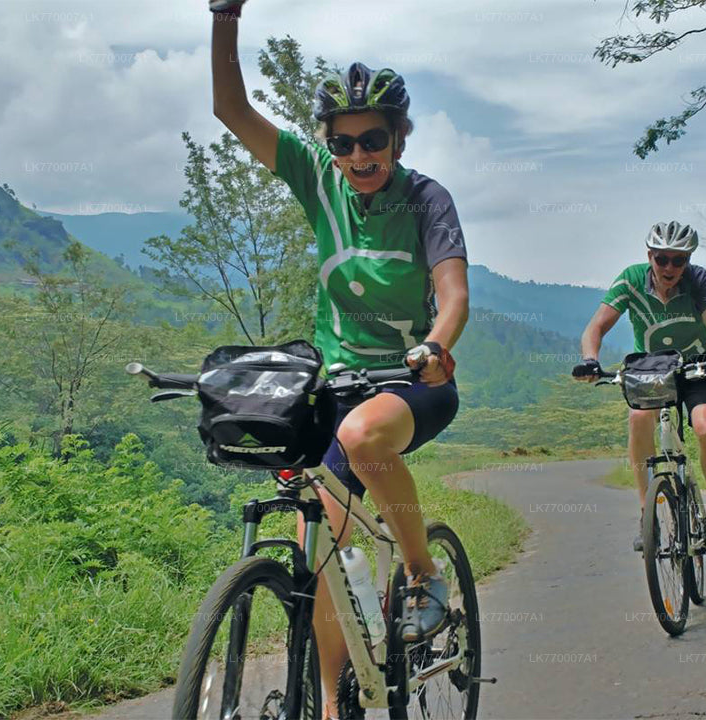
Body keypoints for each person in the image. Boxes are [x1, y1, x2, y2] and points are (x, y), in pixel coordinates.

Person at [207, 2, 469, 714]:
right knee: (320, 547)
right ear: (329, 145)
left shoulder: (425, 200)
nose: (360, 156)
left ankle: (422, 573)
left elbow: (453, 294)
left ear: (399, 137)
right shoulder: (318, 179)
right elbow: (230, 107)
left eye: (374, 139)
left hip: (417, 380)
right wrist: (224, 13)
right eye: (345, 142)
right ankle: (333, 703)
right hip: (341, 385)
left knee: (360, 436)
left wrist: (437, 346)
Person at [573, 221, 706, 560]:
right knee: (638, 418)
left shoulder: (697, 280)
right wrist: (591, 360)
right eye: (662, 259)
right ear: (649, 256)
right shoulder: (631, 279)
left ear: (688, 261)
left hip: (699, 365)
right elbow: (597, 326)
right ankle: (646, 516)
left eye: (678, 260)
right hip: (653, 367)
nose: (669, 267)